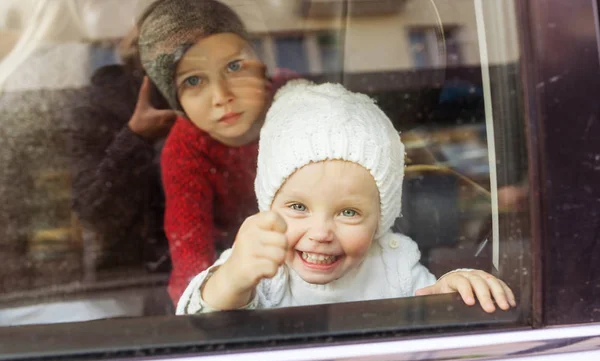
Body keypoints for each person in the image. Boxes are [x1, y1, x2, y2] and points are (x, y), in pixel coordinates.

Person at [176, 80, 517, 315]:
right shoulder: (261, 265)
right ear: (268, 208)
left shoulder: (394, 265)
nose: (321, 232)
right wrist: (233, 280)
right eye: (298, 207)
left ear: (381, 220)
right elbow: (196, 316)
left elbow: (427, 310)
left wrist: (450, 290)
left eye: (349, 212)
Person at [138, 0, 281, 303]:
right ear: (176, 102)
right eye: (193, 81)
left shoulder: (294, 104)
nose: (222, 96)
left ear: (260, 67)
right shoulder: (184, 148)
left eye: (234, 66)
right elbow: (191, 260)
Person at [69, 23, 176, 277]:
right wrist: (136, 136)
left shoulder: (226, 102)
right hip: (125, 279)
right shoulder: (97, 108)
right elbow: (95, 214)